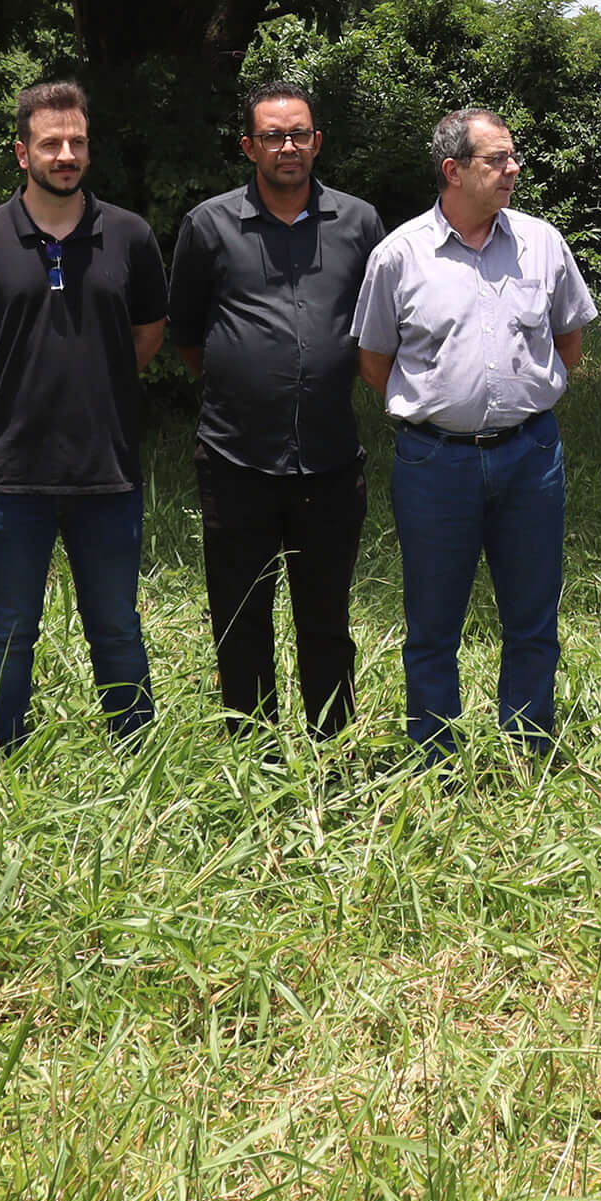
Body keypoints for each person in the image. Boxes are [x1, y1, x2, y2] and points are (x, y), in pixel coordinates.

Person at [354, 107, 598, 757]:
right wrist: (444, 405)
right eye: (499, 159)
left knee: (533, 618)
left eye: (515, 157)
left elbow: (569, 340)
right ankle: (435, 758)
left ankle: (528, 748)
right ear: (453, 170)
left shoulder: (542, 242)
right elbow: (376, 361)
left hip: (530, 454)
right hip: (435, 462)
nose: (514, 169)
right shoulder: (399, 255)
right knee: (432, 624)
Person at [0, 80, 168, 748]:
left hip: (108, 468)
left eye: (77, 141)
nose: (66, 154)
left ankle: (138, 757)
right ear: (21, 152)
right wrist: (13, 390)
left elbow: (148, 331)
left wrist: (100, 382)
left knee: (117, 625)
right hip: (12, 472)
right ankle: (3, 759)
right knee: (8, 629)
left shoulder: (128, 235)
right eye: (51, 142)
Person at [166, 81, 383, 739]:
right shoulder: (209, 225)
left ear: (317, 141)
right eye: (272, 135)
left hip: (329, 458)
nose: (288, 146)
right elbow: (190, 336)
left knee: (326, 618)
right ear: (248, 146)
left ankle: (333, 748)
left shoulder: (360, 222)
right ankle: (252, 757)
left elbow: (379, 321)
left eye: (299, 134)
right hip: (236, 460)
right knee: (241, 619)